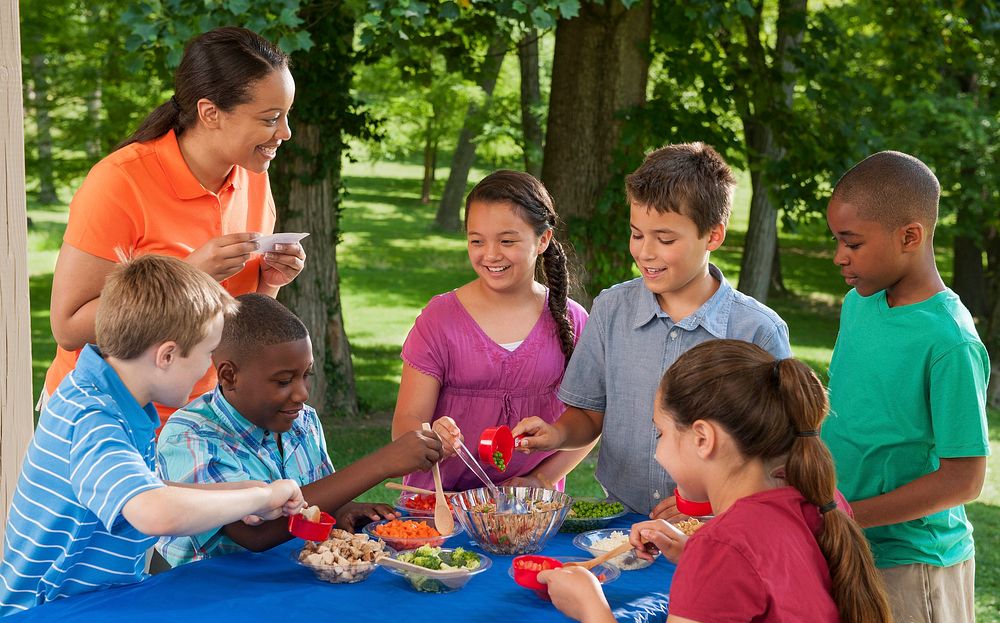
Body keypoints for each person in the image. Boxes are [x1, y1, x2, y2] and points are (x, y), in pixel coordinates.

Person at [539, 340, 897, 623]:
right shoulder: (821, 498)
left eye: (661, 434)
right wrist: (693, 551)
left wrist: (591, 607)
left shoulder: (724, 549)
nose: (659, 450)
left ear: (702, 438)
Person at [0, 255, 305, 616]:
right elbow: (154, 512)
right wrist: (264, 495)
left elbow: (151, 491)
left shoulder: (110, 396)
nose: (208, 367)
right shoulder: (92, 417)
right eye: (207, 353)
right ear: (167, 356)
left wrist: (249, 492)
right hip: (45, 620)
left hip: (94, 607)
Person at [45, 26, 306, 424]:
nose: (285, 133)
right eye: (271, 118)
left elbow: (234, 320)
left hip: (201, 418)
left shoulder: (253, 176)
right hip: (105, 414)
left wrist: (269, 281)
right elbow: (68, 327)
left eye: (286, 116)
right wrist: (187, 277)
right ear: (210, 113)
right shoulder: (119, 181)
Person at [515, 143, 790, 517]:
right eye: (636, 234)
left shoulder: (756, 330)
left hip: (715, 527)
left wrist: (703, 508)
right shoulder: (612, 309)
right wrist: (558, 434)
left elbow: (776, 461)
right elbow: (590, 414)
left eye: (665, 239)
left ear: (713, 236)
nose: (645, 253)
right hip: (619, 522)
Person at [823, 151, 989, 623]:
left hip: (915, 569)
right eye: (837, 241)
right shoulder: (860, 303)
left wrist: (850, 516)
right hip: (846, 549)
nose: (839, 257)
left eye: (852, 243)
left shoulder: (950, 340)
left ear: (910, 237)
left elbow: (964, 479)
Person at [157, 294, 444, 566]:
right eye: (283, 381)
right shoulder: (192, 436)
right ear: (230, 376)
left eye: (306, 375)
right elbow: (256, 535)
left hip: (289, 581)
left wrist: (345, 509)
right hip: (210, 596)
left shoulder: (303, 421)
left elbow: (315, 503)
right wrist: (381, 464)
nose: (302, 394)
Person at [391, 170, 590, 492]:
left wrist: (539, 480)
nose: (491, 254)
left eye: (507, 240)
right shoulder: (439, 319)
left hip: (526, 509)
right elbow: (405, 424)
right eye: (476, 241)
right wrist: (432, 438)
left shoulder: (573, 319)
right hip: (437, 505)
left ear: (543, 240)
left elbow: (590, 423)